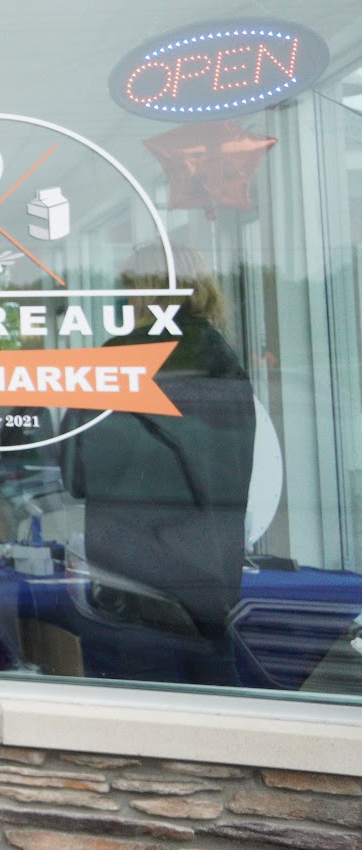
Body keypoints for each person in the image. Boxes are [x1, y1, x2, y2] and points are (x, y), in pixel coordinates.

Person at [61, 242, 256, 687]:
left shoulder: (120, 359)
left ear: (150, 294)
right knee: (216, 715)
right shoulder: (224, 359)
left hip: (133, 585)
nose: (127, 302)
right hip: (211, 582)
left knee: (140, 714)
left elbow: (76, 471)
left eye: (130, 290)